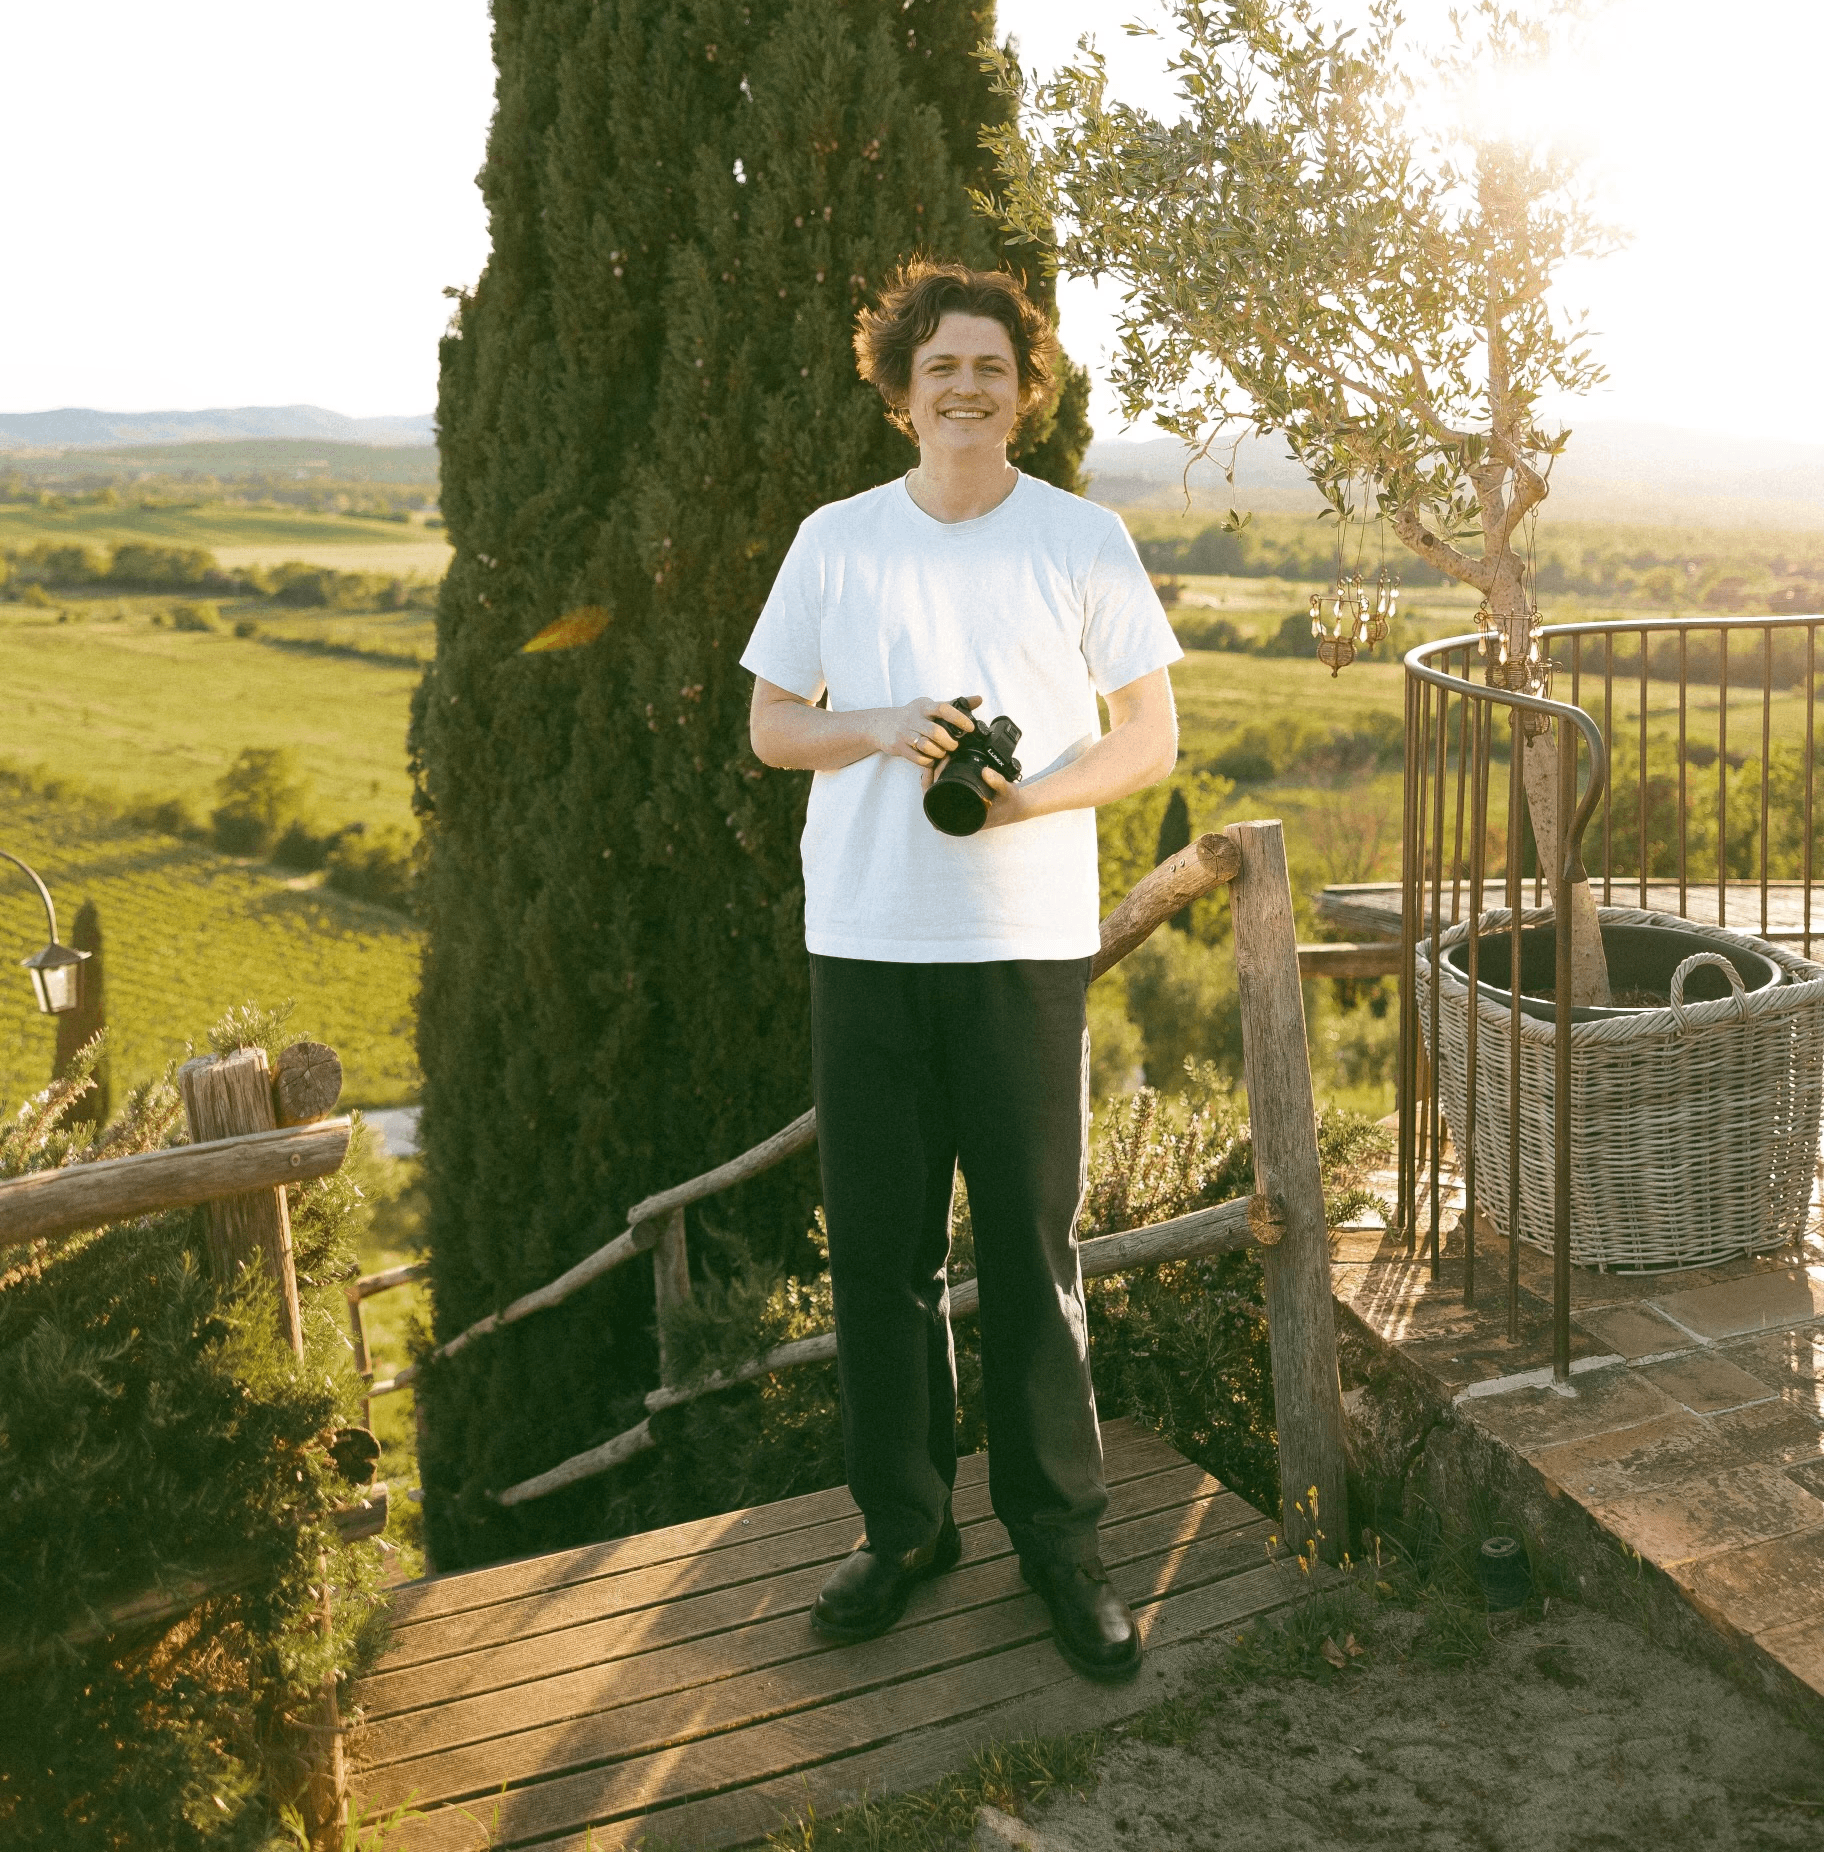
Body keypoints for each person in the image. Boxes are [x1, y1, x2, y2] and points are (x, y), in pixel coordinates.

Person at [740, 260, 1181, 1682]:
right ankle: (906, 1527)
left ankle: (1061, 1545)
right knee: (878, 1259)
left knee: (1032, 1254)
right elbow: (768, 727)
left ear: (1024, 391)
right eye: (943, 371)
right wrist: (877, 723)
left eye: (993, 369)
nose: (969, 390)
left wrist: (1029, 796)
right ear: (901, 393)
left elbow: (1147, 741)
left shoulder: (1083, 538)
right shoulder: (836, 541)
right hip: (866, 939)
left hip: (1021, 946)